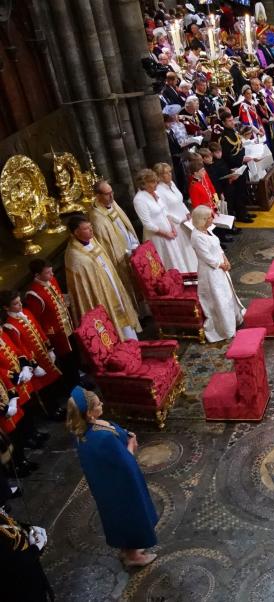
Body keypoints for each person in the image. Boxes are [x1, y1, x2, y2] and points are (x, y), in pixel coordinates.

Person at [67, 386, 158, 567]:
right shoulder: (102, 439)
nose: (102, 404)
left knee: (117, 515)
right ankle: (134, 556)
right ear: (90, 414)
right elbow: (126, 460)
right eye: (98, 404)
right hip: (121, 484)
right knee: (130, 514)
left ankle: (127, 550)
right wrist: (131, 444)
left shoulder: (83, 431)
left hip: (106, 484)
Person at [64, 217, 141, 341]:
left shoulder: (92, 240)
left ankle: (132, 341)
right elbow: (84, 287)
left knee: (121, 310)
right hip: (100, 294)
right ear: (76, 233)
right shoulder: (75, 256)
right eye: (86, 228)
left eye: (90, 226)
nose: (91, 230)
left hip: (112, 284)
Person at [189, 206, 245, 343]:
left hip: (220, 269)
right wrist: (220, 265)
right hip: (210, 273)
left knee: (227, 296)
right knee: (219, 300)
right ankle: (225, 329)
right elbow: (206, 257)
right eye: (209, 217)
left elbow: (218, 247)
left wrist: (225, 260)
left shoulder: (207, 231)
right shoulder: (196, 236)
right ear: (202, 220)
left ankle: (234, 321)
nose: (212, 219)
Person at [133, 168, 198, 273]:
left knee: (177, 258)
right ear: (144, 184)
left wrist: (172, 227)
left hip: (169, 232)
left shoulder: (153, 193)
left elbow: (165, 212)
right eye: (152, 182)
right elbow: (147, 224)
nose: (155, 184)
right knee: (168, 261)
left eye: (155, 181)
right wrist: (166, 233)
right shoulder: (139, 199)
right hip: (158, 236)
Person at [88, 180, 141, 301]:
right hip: (120, 255)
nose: (111, 196)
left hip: (131, 246)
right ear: (98, 196)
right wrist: (126, 251)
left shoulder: (112, 203)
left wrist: (133, 242)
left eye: (112, 192)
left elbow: (124, 224)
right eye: (107, 194)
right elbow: (106, 243)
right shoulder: (97, 217)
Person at [0, 489, 53, 601]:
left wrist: (29, 529)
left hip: (32, 578)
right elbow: (12, 565)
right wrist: (35, 548)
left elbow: (12, 524)